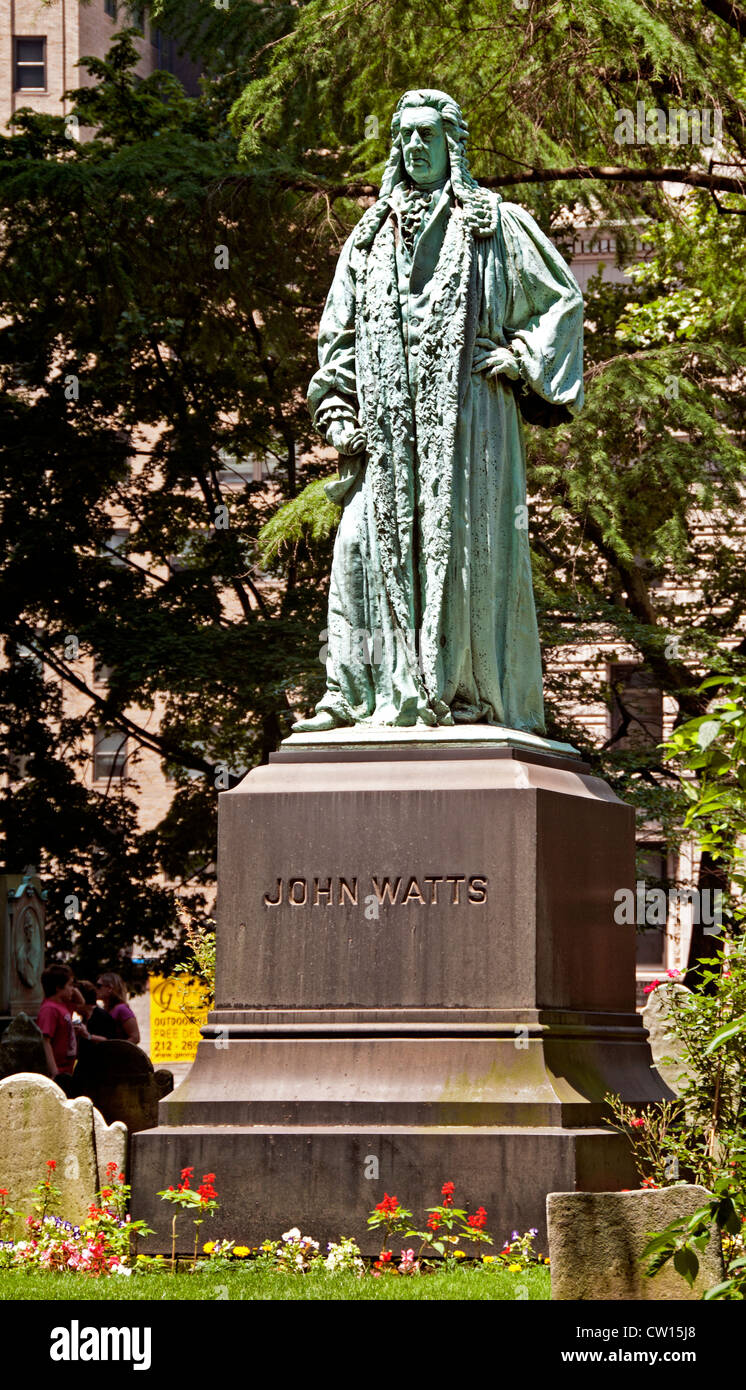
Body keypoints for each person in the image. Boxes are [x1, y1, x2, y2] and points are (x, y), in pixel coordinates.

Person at [295, 88, 584, 735]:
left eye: (428, 135)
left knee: (463, 552)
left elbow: (562, 300)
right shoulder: (369, 239)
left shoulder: (493, 222)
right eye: (406, 136)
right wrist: (338, 408)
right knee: (361, 548)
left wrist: (521, 357)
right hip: (388, 434)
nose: (415, 146)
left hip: (471, 429)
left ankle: (460, 693)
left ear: (451, 145)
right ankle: (359, 693)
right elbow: (336, 336)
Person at [37, 963, 78, 1087]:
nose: (73, 989)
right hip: (58, 1073)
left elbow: (82, 1002)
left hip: (67, 1070)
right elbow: (45, 1040)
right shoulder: (49, 1009)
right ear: (58, 988)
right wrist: (55, 1072)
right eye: (70, 985)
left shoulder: (63, 1006)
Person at [95, 972, 140, 1044]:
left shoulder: (122, 1009)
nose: (96, 989)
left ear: (110, 988)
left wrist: (117, 1050)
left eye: (99, 986)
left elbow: (135, 1037)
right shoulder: (107, 1009)